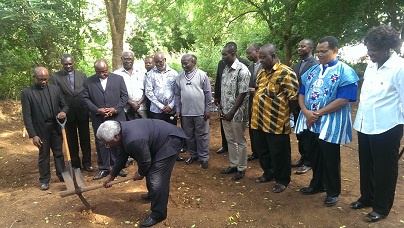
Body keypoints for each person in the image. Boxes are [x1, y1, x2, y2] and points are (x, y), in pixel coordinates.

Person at [295, 36, 359, 206]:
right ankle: (317, 184)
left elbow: (344, 99)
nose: (320, 55)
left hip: (331, 122)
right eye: (318, 52)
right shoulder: (312, 71)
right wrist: (305, 111)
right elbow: (301, 92)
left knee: (330, 157)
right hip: (310, 120)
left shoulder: (345, 72)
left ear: (335, 51)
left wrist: (318, 113)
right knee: (314, 155)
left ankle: (332, 191)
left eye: (324, 51)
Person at [351, 25, 404, 222]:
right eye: (368, 49)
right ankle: (367, 197)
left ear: (387, 48)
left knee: (384, 169)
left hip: (387, 127)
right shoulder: (371, 65)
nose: (369, 54)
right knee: (366, 165)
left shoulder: (399, 68)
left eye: (373, 50)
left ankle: (381, 207)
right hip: (365, 124)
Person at [99, 119, 186, 227]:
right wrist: (111, 176)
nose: (109, 146)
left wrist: (140, 173)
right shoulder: (121, 132)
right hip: (160, 140)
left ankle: (158, 214)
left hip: (171, 141)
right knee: (152, 173)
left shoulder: (133, 139)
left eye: (108, 143)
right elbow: (122, 156)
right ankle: (153, 195)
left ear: (116, 137)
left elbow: (145, 161)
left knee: (156, 179)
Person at [250, 44, 299, 193]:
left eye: (264, 57)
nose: (261, 60)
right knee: (262, 150)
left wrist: (285, 115)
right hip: (258, 120)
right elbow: (258, 90)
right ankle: (268, 173)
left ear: (273, 55)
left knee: (279, 153)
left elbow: (293, 99)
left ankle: (282, 179)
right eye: (260, 58)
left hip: (276, 122)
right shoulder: (261, 73)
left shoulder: (286, 73)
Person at [21, 67, 68, 190]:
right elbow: (27, 116)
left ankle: (62, 175)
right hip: (40, 130)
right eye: (40, 79)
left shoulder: (55, 89)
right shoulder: (27, 93)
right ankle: (44, 180)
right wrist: (33, 135)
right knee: (44, 155)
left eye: (46, 79)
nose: (43, 82)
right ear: (34, 78)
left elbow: (65, 106)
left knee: (59, 153)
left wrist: (63, 112)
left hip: (56, 126)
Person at [82, 59, 129, 180]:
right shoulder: (88, 82)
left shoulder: (118, 79)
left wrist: (115, 109)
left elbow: (124, 96)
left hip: (116, 116)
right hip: (99, 117)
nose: (104, 74)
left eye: (106, 71)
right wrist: (98, 110)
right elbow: (85, 99)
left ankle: (117, 167)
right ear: (96, 72)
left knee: (117, 141)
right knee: (101, 142)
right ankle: (103, 168)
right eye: (101, 72)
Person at [50, 54, 93, 172]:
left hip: (82, 111)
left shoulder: (82, 75)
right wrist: (60, 111)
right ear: (62, 64)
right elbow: (55, 96)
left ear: (73, 62)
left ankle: (87, 162)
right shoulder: (56, 77)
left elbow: (86, 93)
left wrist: (89, 110)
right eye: (65, 64)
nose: (68, 66)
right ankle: (75, 164)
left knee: (85, 138)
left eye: (70, 63)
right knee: (71, 139)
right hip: (67, 113)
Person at [219, 42, 251, 181]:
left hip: (237, 112)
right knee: (230, 139)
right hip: (225, 111)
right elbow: (224, 89)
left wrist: (232, 111)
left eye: (225, 54)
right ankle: (233, 164)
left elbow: (243, 93)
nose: (223, 57)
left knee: (240, 140)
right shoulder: (225, 68)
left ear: (233, 53)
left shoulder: (242, 70)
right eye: (222, 54)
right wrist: (221, 107)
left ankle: (241, 168)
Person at [175, 54, 212, 169]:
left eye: (186, 63)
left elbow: (207, 93)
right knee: (189, 136)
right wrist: (177, 110)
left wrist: (207, 109)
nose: (184, 65)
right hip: (186, 112)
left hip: (200, 112)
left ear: (193, 62)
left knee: (202, 135)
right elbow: (177, 95)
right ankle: (193, 155)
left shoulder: (202, 75)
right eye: (182, 63)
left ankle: (204, 157)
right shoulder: (179, 77)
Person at [145, 51, 184, 161]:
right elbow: (149, 92)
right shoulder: (150, 74)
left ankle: (174, 154)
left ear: (165, 60)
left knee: (172, 132)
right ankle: (159, 155)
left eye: (160, 61)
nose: (159, 64)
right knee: (157, 133)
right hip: (156, 110)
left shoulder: (174, 73)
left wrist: (171, 106)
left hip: (171, 110)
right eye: (156, 62)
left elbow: (177, 91)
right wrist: (161, 106)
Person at [291, 39, 319, 174]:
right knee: (299, 134)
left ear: (310, 48)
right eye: (298, 46)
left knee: (309, 135)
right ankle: (303, 157)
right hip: (297, 106)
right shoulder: (296, 66)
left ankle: (309, 162)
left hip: (309, 107)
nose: (300, 48)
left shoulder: (317, 65)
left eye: (303, 46)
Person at [113, 50, 147, 120]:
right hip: (125, 109)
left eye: (130, 59)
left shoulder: (141, 73)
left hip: (141, 108)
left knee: (143, 129)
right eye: (126, 59)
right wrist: (131, 102)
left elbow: (147, 90)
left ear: (133, 59)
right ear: (121, 59)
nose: (128, 61)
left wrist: (138, 103)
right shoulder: (116, 74)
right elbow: (116, 92)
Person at [245, 44, 262, 161]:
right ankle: (255, 151)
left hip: (263, 104)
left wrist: (256, 90)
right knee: (252, 128)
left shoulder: (266, 66)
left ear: (257, 51)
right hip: (251, 103)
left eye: (249, 53)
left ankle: (263, 153)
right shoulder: (249, 67)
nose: (247, 55)